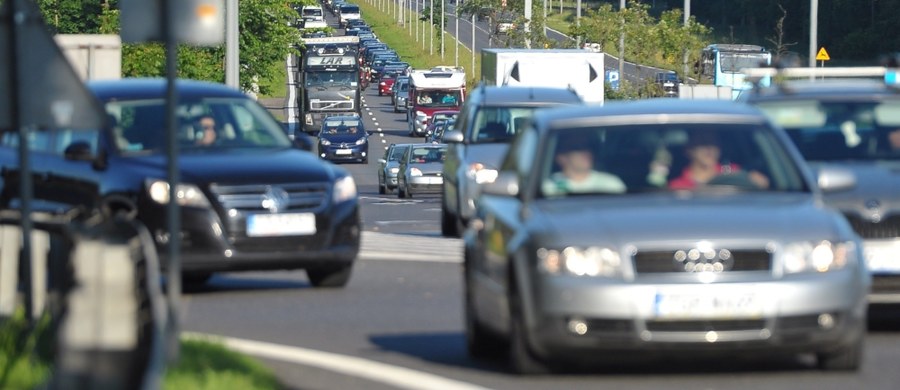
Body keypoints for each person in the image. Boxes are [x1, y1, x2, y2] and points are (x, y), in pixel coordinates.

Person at [668, 131, 769, 190]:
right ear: (689, 150)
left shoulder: (733, 173)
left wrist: (755, 180)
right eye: (703, 143)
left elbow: (763, 186)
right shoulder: (677, 186)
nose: (709, 148)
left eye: (713, 143)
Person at [542, 139, 626, 195]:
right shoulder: (550, 186)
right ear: (561, 157)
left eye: (588, 147)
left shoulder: (611, 184)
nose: (586, 152)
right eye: (578, 148)